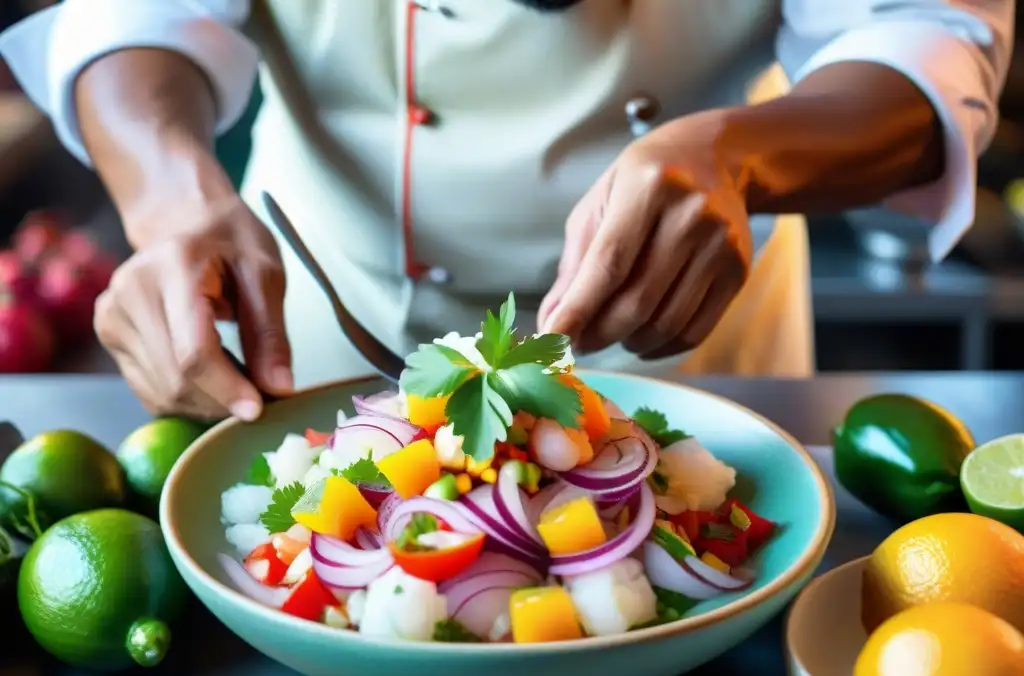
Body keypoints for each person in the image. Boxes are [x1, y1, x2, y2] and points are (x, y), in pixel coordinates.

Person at [0, 1, 1012, 420]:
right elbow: (133, 16)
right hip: (320, 326)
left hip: (699, 361)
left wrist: (738, 154)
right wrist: (175, 203)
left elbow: (925, 32)